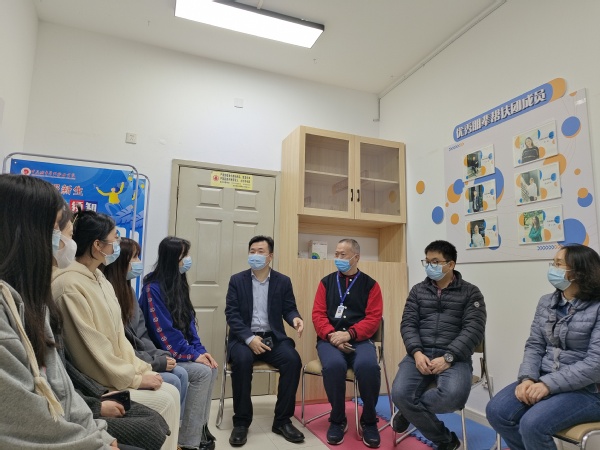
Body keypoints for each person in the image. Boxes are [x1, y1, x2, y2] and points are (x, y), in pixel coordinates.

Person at [0, 174, 116, 449]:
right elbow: (24, 418)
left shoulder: (33, 300)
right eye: (58, 229)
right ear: (26, 231)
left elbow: (60, 387)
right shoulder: (63, 286)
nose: (66, 241)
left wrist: (99, 435)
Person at [51, 210, 180, 450]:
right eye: (114, 239)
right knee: (165, 400)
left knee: (171, 391)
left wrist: (142, 369)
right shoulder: (69, 285)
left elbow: (120, 340)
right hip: (98, 381)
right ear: (97, 245)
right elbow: (93, 351)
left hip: (116, 374)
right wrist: (135, 379)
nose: (117, 246)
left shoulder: (100, 278)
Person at [486, 244, 600, 449]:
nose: (552, 269)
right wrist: (527, 378)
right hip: (544, 377)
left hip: (589, 390)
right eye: (552, 263)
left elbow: (595, 364)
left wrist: (547, 385)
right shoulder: (546, 302)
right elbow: (535, 345)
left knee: (532, 424)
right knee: (497, 411)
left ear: (579, 272)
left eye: (558, 264)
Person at [391, 240, 486, 450]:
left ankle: (407, 411)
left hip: (455, 358)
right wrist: (416, 353)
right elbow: (408, 324)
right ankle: (446, 440)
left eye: (435, 261)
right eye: (427, 261)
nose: (429, 266)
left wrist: (449, 357)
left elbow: (474, 330)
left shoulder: (471, 293)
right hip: (419, 354)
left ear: (451, 264)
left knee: (452, 398)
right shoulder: (418, 291)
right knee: (398, 394)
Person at [139, 236, 218, 450]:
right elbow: (164, 334)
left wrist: (201, 352)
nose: (187, 260)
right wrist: (192, 355)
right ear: (172, 259)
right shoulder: (152, 289)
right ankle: (188, 442)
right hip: (162, 354)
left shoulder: (178, 283)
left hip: (179, 352)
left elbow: (189, 324)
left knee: (211, 367)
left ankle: (199, 429)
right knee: (202, 373)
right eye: (184, 256)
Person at [225, 235, 305, 447]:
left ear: (270, 256)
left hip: (272, 338)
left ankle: (282, 421)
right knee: (242, 361)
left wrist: (295, 319)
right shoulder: (237, 280)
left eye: (260, 251)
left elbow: (289, 308)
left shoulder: (283, 281)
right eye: (252, 251)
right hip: (243, 338)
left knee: (292, 360)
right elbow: (232, 314)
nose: (255, 255)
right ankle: (241, 422)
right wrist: (249, 338)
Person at [102, 238, 189, 423]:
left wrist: (160, 354)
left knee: (181, 373)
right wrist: (156, 362)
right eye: (134, 257)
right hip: (127, 364)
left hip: (143, 358)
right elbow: (122, 348)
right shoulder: (108, 294)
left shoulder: (130, 293)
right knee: (174, 380)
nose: (138, 262)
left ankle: (177, 432)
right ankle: (166, 432)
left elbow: (143, 335)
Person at [312, 238, 383, 448]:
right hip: (329, 340)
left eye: (343, 255)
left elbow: (373, 319)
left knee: (369, 366)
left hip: (359, 340)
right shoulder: (326, 283)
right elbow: (318, 315)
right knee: (334, 366)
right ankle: (337, 419)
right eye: (336, 254)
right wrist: (333, 336)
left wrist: (349, 334)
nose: (338, 258)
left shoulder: (371, 285)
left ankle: (369, 420)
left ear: (356, 257)